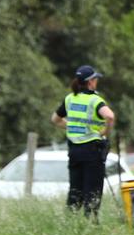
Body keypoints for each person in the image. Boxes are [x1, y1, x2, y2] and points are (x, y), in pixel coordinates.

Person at [50, 65, 116, 216]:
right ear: (90, 82)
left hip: (74, 151)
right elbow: (110, 116)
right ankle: (91, 222)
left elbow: (55, 119)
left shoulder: (69, 98)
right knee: (92, 190)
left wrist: (71, 127)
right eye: (95, 79)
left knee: (75, 190)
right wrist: (106, 131)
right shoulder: (95, 100)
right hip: (92, 151)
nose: (96, 82)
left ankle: (70, 220)